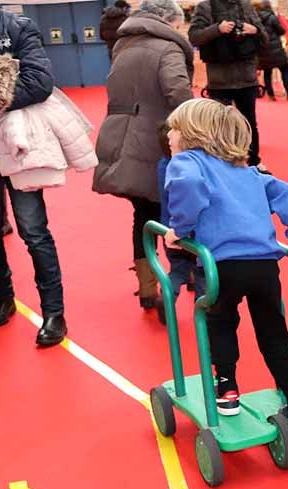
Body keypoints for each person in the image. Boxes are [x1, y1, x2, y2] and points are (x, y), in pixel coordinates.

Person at [162, 99, 288, 433]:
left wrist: (180, 228)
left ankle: (228, 389)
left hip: (223, 267)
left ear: (192, 135)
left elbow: (188, 188)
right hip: (264, 267)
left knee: (220, 322)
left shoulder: (188, 162)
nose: (169, 136)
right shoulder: (249, 173)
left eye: (173, 129)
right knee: (275, 334)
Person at [94, 0, 194, 314]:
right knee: (177, 213)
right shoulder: (168, 48)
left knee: (143, 216)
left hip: (123, 138)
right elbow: (178, 93)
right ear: (169, 21)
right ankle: (180, 279)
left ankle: (147, 286)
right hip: (158, 142)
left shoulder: (124, 45)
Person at [0, 0, 67, 347]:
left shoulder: (17, 28)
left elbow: (40, 81)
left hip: (17, 145)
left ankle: (54, 311)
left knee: (34, 230)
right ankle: (4, 296)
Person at [189, 0, 267, 169]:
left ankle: (253, 162)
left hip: (246, 78)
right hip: (220, 80)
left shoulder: (246, 6)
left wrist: (255, 30)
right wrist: (217, 29)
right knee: (219, 125)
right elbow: (194, 36)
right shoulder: (205, 7)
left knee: (249, 123)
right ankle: (220, 165)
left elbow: (265, 37)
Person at [155, 121, 205, 327]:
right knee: (203, 273)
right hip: (193, 231)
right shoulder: (187, 171)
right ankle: (204, 314)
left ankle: (167, 297)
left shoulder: (162, 166)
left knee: (177, 269)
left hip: (169, 228)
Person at [255, 0, 288, 101]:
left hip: (263, 49)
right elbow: (281, 31)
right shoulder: (272, 17)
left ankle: (271, 95)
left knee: (267, 73)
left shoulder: (256, 18)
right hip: (276, 49)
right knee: (284, 70)